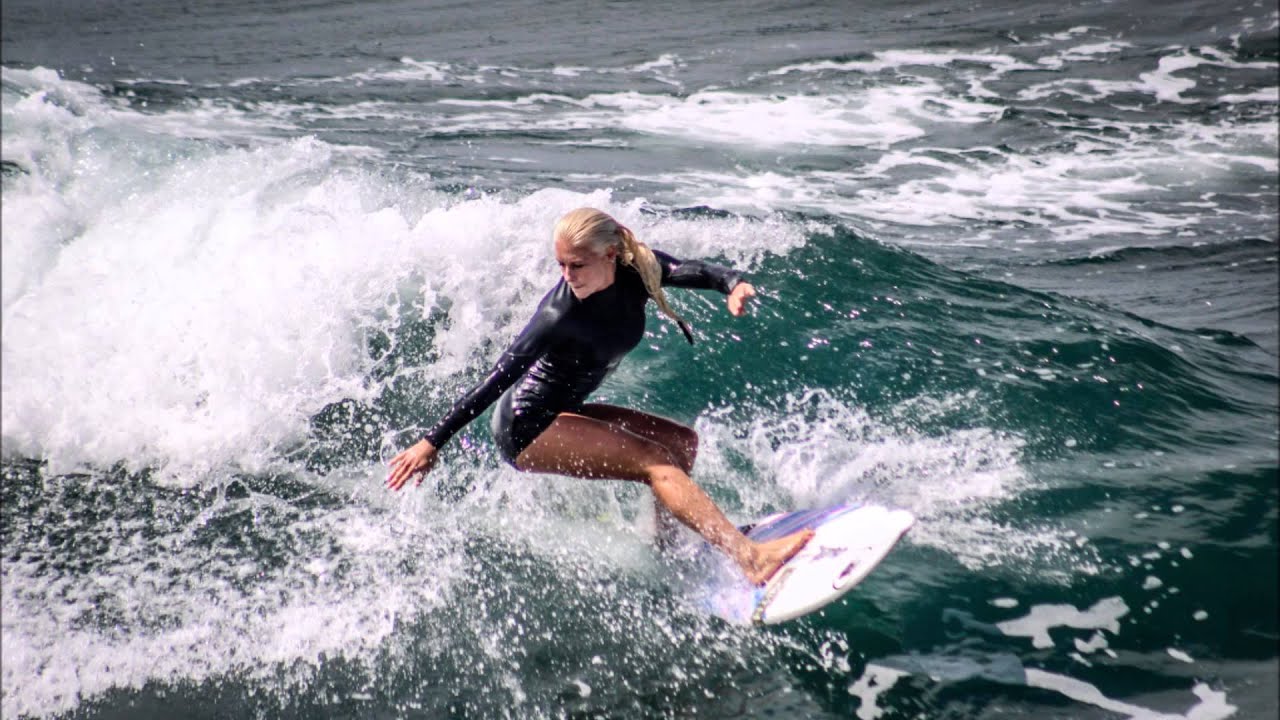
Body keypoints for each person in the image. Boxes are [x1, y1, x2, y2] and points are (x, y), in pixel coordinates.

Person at [386, 208, 812, 585]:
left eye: (577, 265)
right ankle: (751, 559)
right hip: (527, 426)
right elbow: (499, 377)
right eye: (561, 265)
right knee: (656, 462)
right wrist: (432, 441)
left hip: (563, 412)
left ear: (610, 255)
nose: (568, 276)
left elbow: (691, 270)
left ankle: (666, 547)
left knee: (681, 444)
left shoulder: (637, 274)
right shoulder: (558, 315)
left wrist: (732, 284)